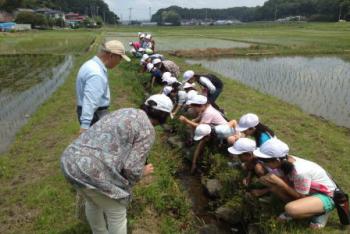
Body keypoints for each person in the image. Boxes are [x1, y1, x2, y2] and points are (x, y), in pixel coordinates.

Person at [61, 94, 174, 234]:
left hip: (70, 160)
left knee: (93, 202)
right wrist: (142, 172)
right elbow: (131, 169)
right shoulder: (148, 130)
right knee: (117, 212)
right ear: (164, 116)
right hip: (91, 170)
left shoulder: (126, 111)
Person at [254, 138, 337, 229]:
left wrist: (281, 183)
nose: (263, 163)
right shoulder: (285, 161)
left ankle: (321, 212)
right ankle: (302, 209)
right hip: (307, 191)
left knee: (291, 209)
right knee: (273, 186)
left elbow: (300, 196)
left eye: (264, 161)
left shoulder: (300, 172)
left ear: (276, 161)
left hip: (326, 195)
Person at [76, 40, 130, 134]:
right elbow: (90, 100)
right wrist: (85, 125)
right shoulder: (96, 73)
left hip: (94, 113)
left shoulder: (91, 64)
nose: (119, 62)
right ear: (111, 55)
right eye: (120, 58)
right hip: (94, 115)